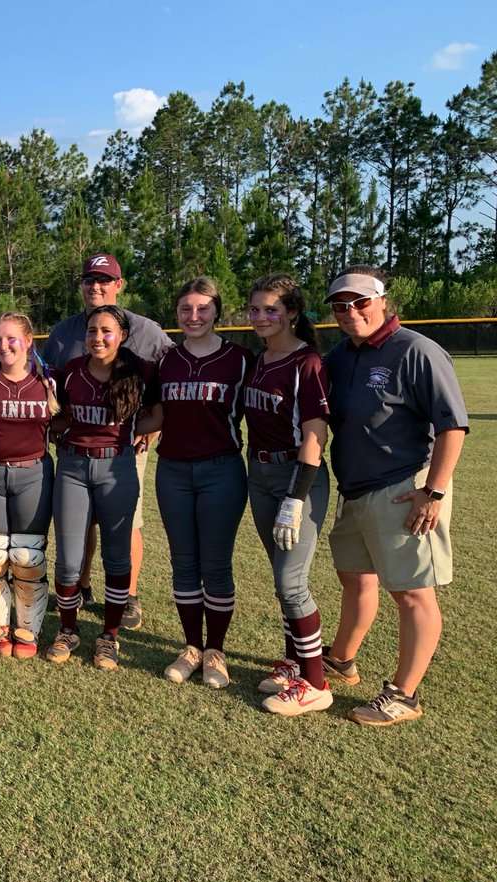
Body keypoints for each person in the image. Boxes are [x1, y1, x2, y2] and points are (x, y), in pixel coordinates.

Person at [320, 266, 468, 726]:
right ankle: (341, 660)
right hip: (355, 489)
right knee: (355, 578)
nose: (351, 312)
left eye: (361, 301)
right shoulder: (341, 355)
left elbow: (452, 426)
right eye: (341, 306)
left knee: (412, 594)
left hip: (405, 489)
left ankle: (405, 693)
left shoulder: (417, 351)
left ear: (383, 300)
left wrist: (434, 490)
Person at [41, 253, 173, 628]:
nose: (95, 287)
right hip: (75, 448)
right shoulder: (65, 331)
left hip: (125, 445)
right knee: (79, 523)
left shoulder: (146, 330)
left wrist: (152, 427)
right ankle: (80, 586)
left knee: (126, 523)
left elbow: (168, 385)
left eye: (104, 280)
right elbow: (48, 384)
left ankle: (128, 596)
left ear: (119, 285)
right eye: (89, 280)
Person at [150, 277, 252, 689]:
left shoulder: (241, 359)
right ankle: (192, 648)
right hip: (172, 470)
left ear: (217, 312)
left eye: (202, 309)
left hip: (221, 470)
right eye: (185, 309)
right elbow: (155, 415)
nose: (194, 316)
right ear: (175, 314)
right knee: (183, 562)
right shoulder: (165, 359)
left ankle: (216, 651)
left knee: (216, 563)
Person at [241, 275, 334, 716]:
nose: (261, 317)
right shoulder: (260, 359)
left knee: (290, 582)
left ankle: (315, 685)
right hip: (259, 473)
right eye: (255, 309)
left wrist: (296, 498)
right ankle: (295, 663)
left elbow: (315, 435)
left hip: (297, 477)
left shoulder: (306, 363)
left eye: (272, 310)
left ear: (292, 313)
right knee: (282, 577)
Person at [48, 306, 160, 668]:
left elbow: (160, 412)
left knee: (116, 555)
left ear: (122, 335)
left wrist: (140, 432)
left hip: (117, 465)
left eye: (107, 331)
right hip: (73, 466)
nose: (98, 338)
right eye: (93, 331)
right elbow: (63, 417)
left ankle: (109, 636)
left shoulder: (139, 371)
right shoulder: (71, 372)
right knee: (67, 558)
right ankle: (67, 629)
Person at [0, 312, 58, 659]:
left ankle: (27, 629)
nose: (3, 346)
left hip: (33, 472)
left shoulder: (48, 380)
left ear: (29, 340)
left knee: (27, 556)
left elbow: (67, 417)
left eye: (11, 338)